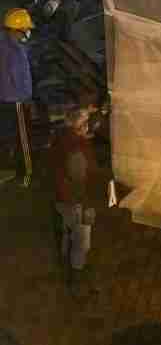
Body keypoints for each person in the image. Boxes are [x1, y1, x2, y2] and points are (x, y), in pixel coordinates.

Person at [50, 106, 101, 300]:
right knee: (82, 242)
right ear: (80, 125)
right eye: (86, 123)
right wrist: (87, 207)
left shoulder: (59, 138)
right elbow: (80, 179)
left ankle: (65, 263)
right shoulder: (79, 148)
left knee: (65, 232)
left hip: (60, 199)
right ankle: (76, 279)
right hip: (75, 202)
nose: (88, 127)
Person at [0, 8, 35, 185]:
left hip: (4, 99)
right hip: (16, 100)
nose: (28, 32)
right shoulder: (16, 53)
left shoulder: (4, 43)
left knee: (7, 135)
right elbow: (22, 80)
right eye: (25, 29)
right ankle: (26, 174)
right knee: (23, 139)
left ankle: (6, 168)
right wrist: (27, 99)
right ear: (15, 30)